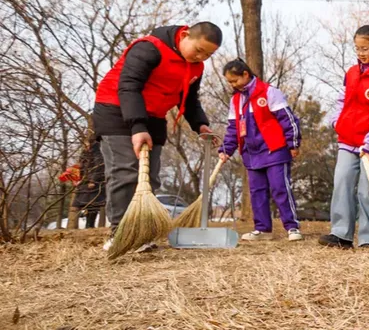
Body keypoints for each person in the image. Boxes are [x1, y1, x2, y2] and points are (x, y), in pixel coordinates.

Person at [93, 22, 222, 251]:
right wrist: (137, 126)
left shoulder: (195, 67)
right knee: (126, 172)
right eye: (198, 50)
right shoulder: (148, 48)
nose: (200, 57)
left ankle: (140, 233)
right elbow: (128, 86)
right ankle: (119, 234)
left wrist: (201, 125)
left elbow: (190, 100)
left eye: (208, 55)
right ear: (184, 35)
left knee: (150, 177)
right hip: (118, 111)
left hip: (154, 116)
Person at [318, 25, 369, 250]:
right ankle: (341, 234)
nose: (361, 53)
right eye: (357, 48)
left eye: (365, 48)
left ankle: (368, 238)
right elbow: (341, 102)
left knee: (367, 190)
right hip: (348, 141)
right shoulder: (351, 73)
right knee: (341, 182)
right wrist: (337, 122)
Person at [218, 59, 303, 241]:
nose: (232, 85)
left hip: (275, 149)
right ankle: (262, 229)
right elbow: (233, 128)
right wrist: (226, 149)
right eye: (230, 82)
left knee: (280, 188)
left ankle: (292, 227)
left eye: (234, 81)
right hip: (251, 153)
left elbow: (288, 120)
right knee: (257, 191)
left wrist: (293, 143)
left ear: (245, 75)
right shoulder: (236, 100)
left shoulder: (269, 92)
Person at [73, 136, 106, 228]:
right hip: (84, 181)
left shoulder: (97, 152)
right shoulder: (85, 153)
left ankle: (90, 224)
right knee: (86, 203)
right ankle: (88, 223)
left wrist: (93, 180)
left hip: (94, 182)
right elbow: (80, 166)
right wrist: (76, 178)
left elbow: (99, 166)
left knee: (93, 203)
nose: (85, 146)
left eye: (87, 144)